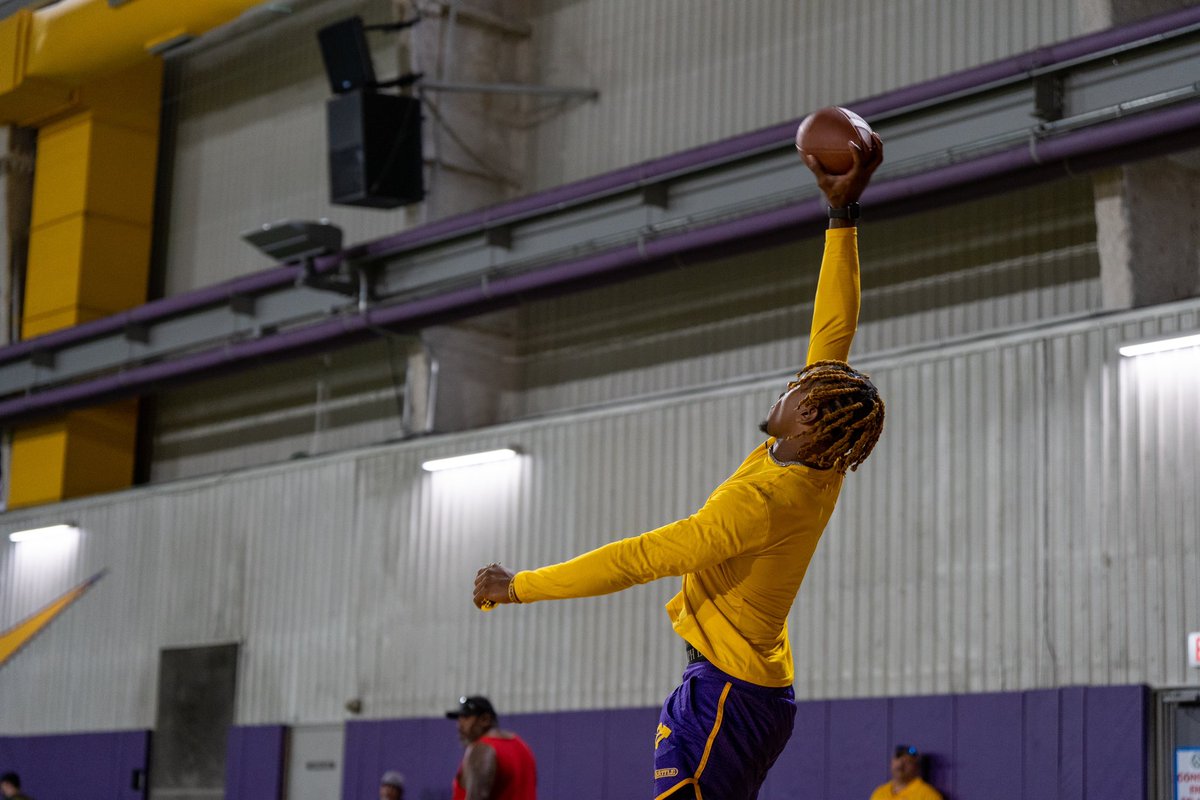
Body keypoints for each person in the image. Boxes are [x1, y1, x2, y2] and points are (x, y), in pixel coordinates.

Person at [472, 135, 886, 800]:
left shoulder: (765, 501)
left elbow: (636, 558)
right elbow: (834, 331)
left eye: (799, 391)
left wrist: (517, 585)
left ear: (809, 419)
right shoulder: (816, 459)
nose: (790, 386)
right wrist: (843, 217)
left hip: (732, 694)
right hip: (738, 689)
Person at [446, 695, 537, 800]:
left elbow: (478, 796)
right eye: (459, 719)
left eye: (466, 718)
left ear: (485, 719)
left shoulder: (482, 749)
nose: (459, 725)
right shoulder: (522, 746)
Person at [868, 745, 942, 800]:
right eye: (898, 760)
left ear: (916, 768)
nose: (900, 765)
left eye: (908, 762)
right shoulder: (880, 793)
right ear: (891, 763)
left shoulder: (927, 795)